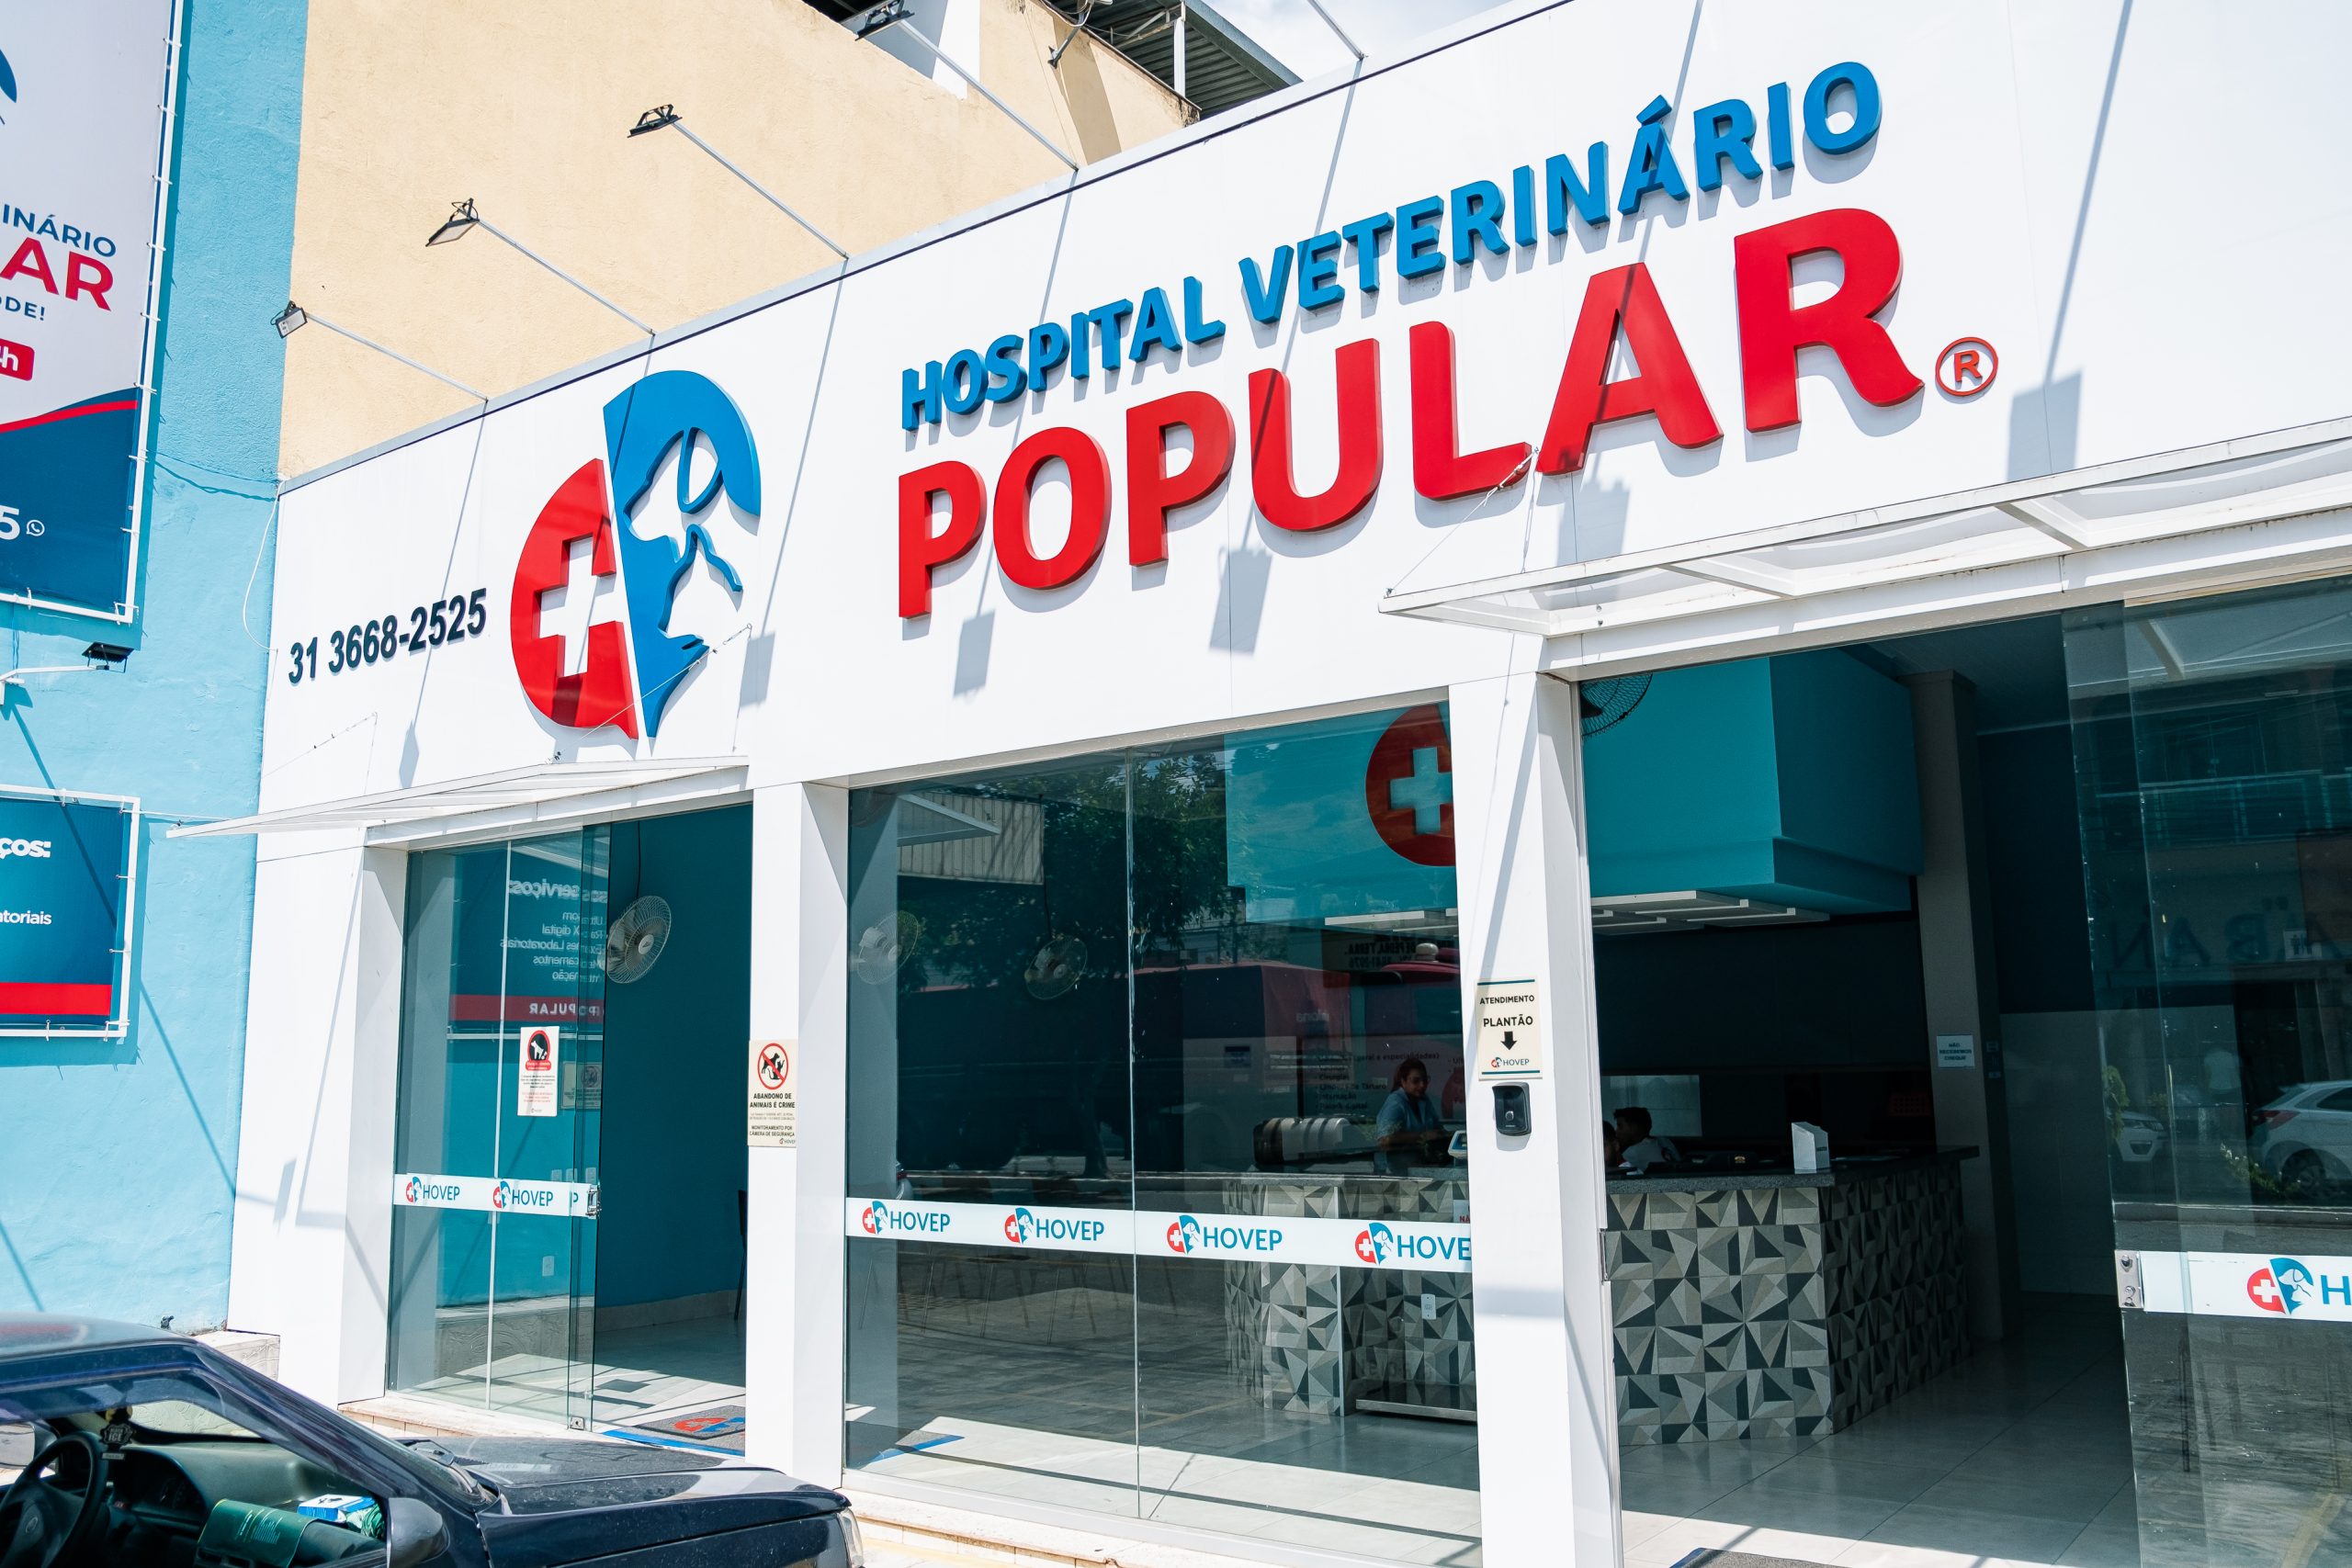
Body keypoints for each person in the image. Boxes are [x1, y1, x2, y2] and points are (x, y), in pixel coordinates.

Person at [1374, 1058, 1448, 1173]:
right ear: (1403, 1081)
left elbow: (1436, 1127)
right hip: (1393, 1171)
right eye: (1415, 1081)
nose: (1422, 1085)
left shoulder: (1423, 1100)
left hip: (1419, 1166)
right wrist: (1422, 1136)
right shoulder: (1395, 1103)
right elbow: (1384, 1139)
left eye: (1425, 1080)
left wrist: (1445, 1135)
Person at [1614, 1106, 1680, 1170]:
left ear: (1635, 1127)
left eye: (1620, 1126)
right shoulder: (1665, 1141)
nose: (1616, 1131)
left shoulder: (1633, 1153)